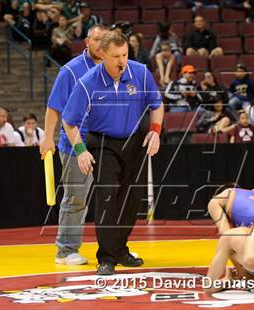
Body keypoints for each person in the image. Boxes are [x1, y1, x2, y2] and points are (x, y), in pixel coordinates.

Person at [61, 31, 164, 276]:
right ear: (103, 55)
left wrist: (156, 131)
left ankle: (119, 250)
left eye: (125, 54)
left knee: (133, 199)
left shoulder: (139, 72)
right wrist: (81, 151)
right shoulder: (87, 81)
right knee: (107, 197)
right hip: (103, 142)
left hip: (134, 141)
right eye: (116, 56)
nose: (121, 60)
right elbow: (69, 121)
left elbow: (157, 105)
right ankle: (106, 257)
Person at [39, 25, 109, 266]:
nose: (101, 44)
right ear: (87, 42)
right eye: (97, 39)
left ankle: (113, 248)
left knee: (111, 198)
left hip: (105, 144)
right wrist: (48, 137)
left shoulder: (114, 67)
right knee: (76, 198)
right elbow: (54, 107)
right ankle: (66, 250)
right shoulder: (71, 70)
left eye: (105, 39)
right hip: (75, 145)